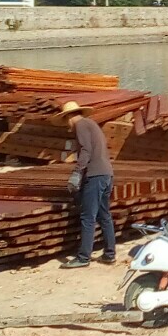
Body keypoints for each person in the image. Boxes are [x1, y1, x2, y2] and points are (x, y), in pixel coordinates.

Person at [59, 101, 116, 269]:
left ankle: (83, 257)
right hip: (107, 174)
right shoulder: (92, 124)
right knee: (104, 215)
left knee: (87, 216)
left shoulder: (81, 125)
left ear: (69, 117)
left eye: (66, 121)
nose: (67, 126)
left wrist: (77, 172)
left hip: (95, 176)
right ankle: (110, 254)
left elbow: (86, 150)